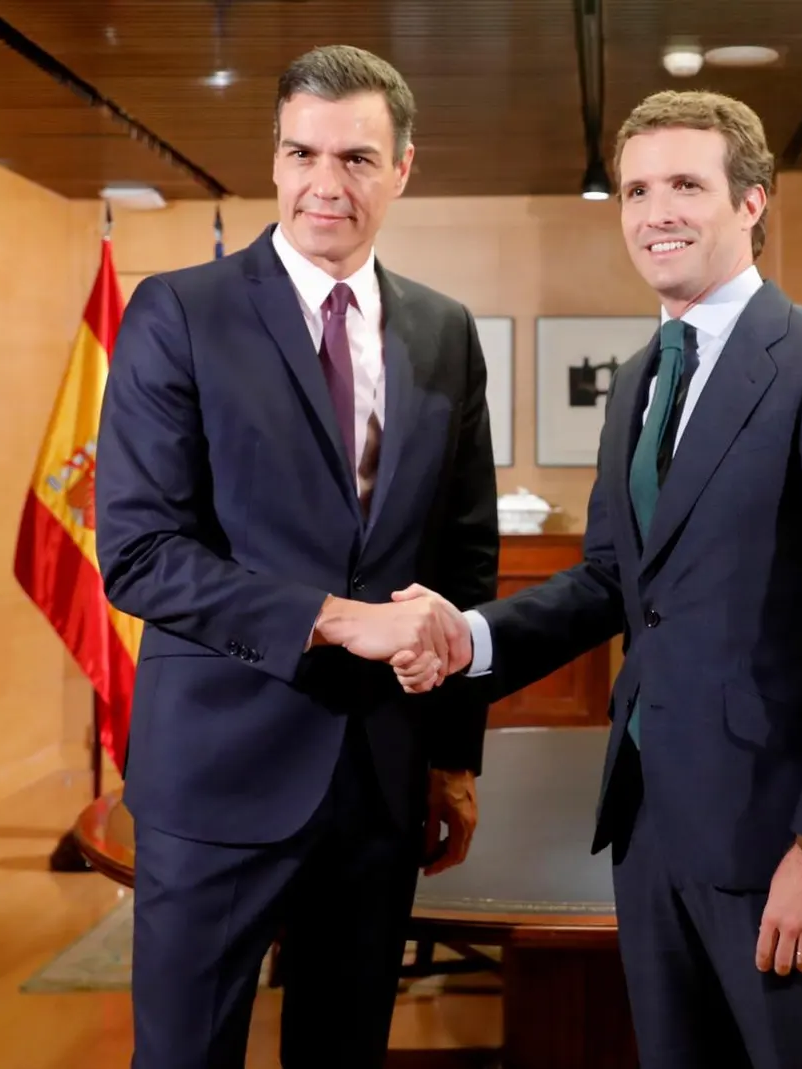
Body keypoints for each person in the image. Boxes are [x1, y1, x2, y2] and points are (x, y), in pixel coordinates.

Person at [394, 90, 802, 1068]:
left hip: (779, 840)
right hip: (649, 827)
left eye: (686, 183)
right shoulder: (643, 374)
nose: (654, 212)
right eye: (636, 189)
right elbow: (611, 580)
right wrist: (468, 636)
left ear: (752, 201)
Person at [93, 44, 498, 1069]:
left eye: (358, 158)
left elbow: (463, 554)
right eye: (302, 153)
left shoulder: (444, 332)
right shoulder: (177, 313)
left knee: (344, 1050)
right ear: (274, 161)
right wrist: (330, 616)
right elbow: (139, 554)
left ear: (403, 168)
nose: (327, 184)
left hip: (379, 776)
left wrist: (451, 755)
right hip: (218, 774)